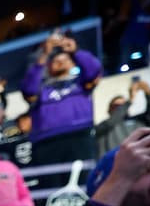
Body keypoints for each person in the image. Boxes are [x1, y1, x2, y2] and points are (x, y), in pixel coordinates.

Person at [20, 30, 103, 164]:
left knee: (83, 182)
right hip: (45, 141)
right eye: (54, 56)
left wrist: (75, 50)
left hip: (80, 135)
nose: (58, 58)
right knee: (52, 184)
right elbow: (28, 90)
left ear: (73, 61)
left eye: (64, 55)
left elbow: (94, 71)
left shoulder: (81, 82)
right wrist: (45, 53)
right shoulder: (40, 87)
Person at [96, 79, 150, 155]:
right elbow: (110, 122)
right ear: (109, 110)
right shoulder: (103, 127)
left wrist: (149, 93)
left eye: (123, 105)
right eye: (116, 106)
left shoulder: (137, 121)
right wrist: (129, 101)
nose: (121, 108)